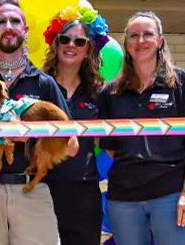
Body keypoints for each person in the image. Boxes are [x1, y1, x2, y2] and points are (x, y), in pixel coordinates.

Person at [0, 0, 75, 245]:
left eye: (15, 21)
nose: (8, 27)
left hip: (30, 190)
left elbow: (72, 144)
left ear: (25, 30)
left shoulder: (44, 83)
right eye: (0, 22)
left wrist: (30, 135)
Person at [98, 11, 185, 244]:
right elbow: (110, 148)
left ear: (160, 41)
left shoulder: (183, 82)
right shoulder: (111, 93)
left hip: (172, 195)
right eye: (133, 35)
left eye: (148, 34)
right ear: (126, 43)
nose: (140, 41)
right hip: (123, 199)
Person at [42, 15, 105, 245]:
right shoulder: (40, 86)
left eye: (79, 42)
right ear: (56, 44)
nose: (71, 45)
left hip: (84, 190)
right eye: (65, 39)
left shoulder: (98, 93)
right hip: (42, 187)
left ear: (88, 50)